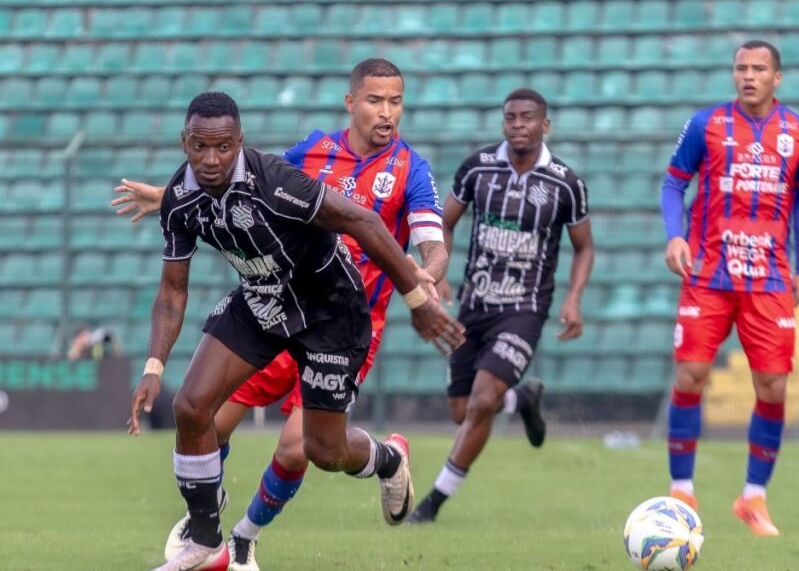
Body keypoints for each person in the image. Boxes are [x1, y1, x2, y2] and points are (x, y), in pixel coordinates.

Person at [115, 59, 448, 571]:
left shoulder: (401, 169)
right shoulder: (304, 155)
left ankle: (383, 460)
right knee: (195, 410)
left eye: (394, 101)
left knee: (315, 450)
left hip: (334, 310)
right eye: (375, 100)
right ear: (351, 102)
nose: (385, 112)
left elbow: (371, 223)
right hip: (266, 298)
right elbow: (183, 264)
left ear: (240, 143)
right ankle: (208, 536)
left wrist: (421, 290)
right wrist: (153, 365)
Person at [407, 88, 595, 524]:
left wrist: (573, 297)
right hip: (475, 304)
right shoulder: (477, 168)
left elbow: (584, 247)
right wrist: (437, 271)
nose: (518, 125)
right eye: (510, 118)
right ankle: (522, 400)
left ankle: (433, 503)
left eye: (527, 118)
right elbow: (444, 223)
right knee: (462, 411)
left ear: (544, 125)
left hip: (524, 309)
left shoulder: (566, 183)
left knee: (480, 401)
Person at [660, 40, 799, 536]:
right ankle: (681, 489)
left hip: (770, 278)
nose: (748, 75)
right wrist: (674, 236)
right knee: (690, 377)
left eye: (758, 68)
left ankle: (753, 498)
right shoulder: (706, 124)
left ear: (778, 77)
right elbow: (672, 184)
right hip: (708, 274)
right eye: (740, 67)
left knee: (773, 388)